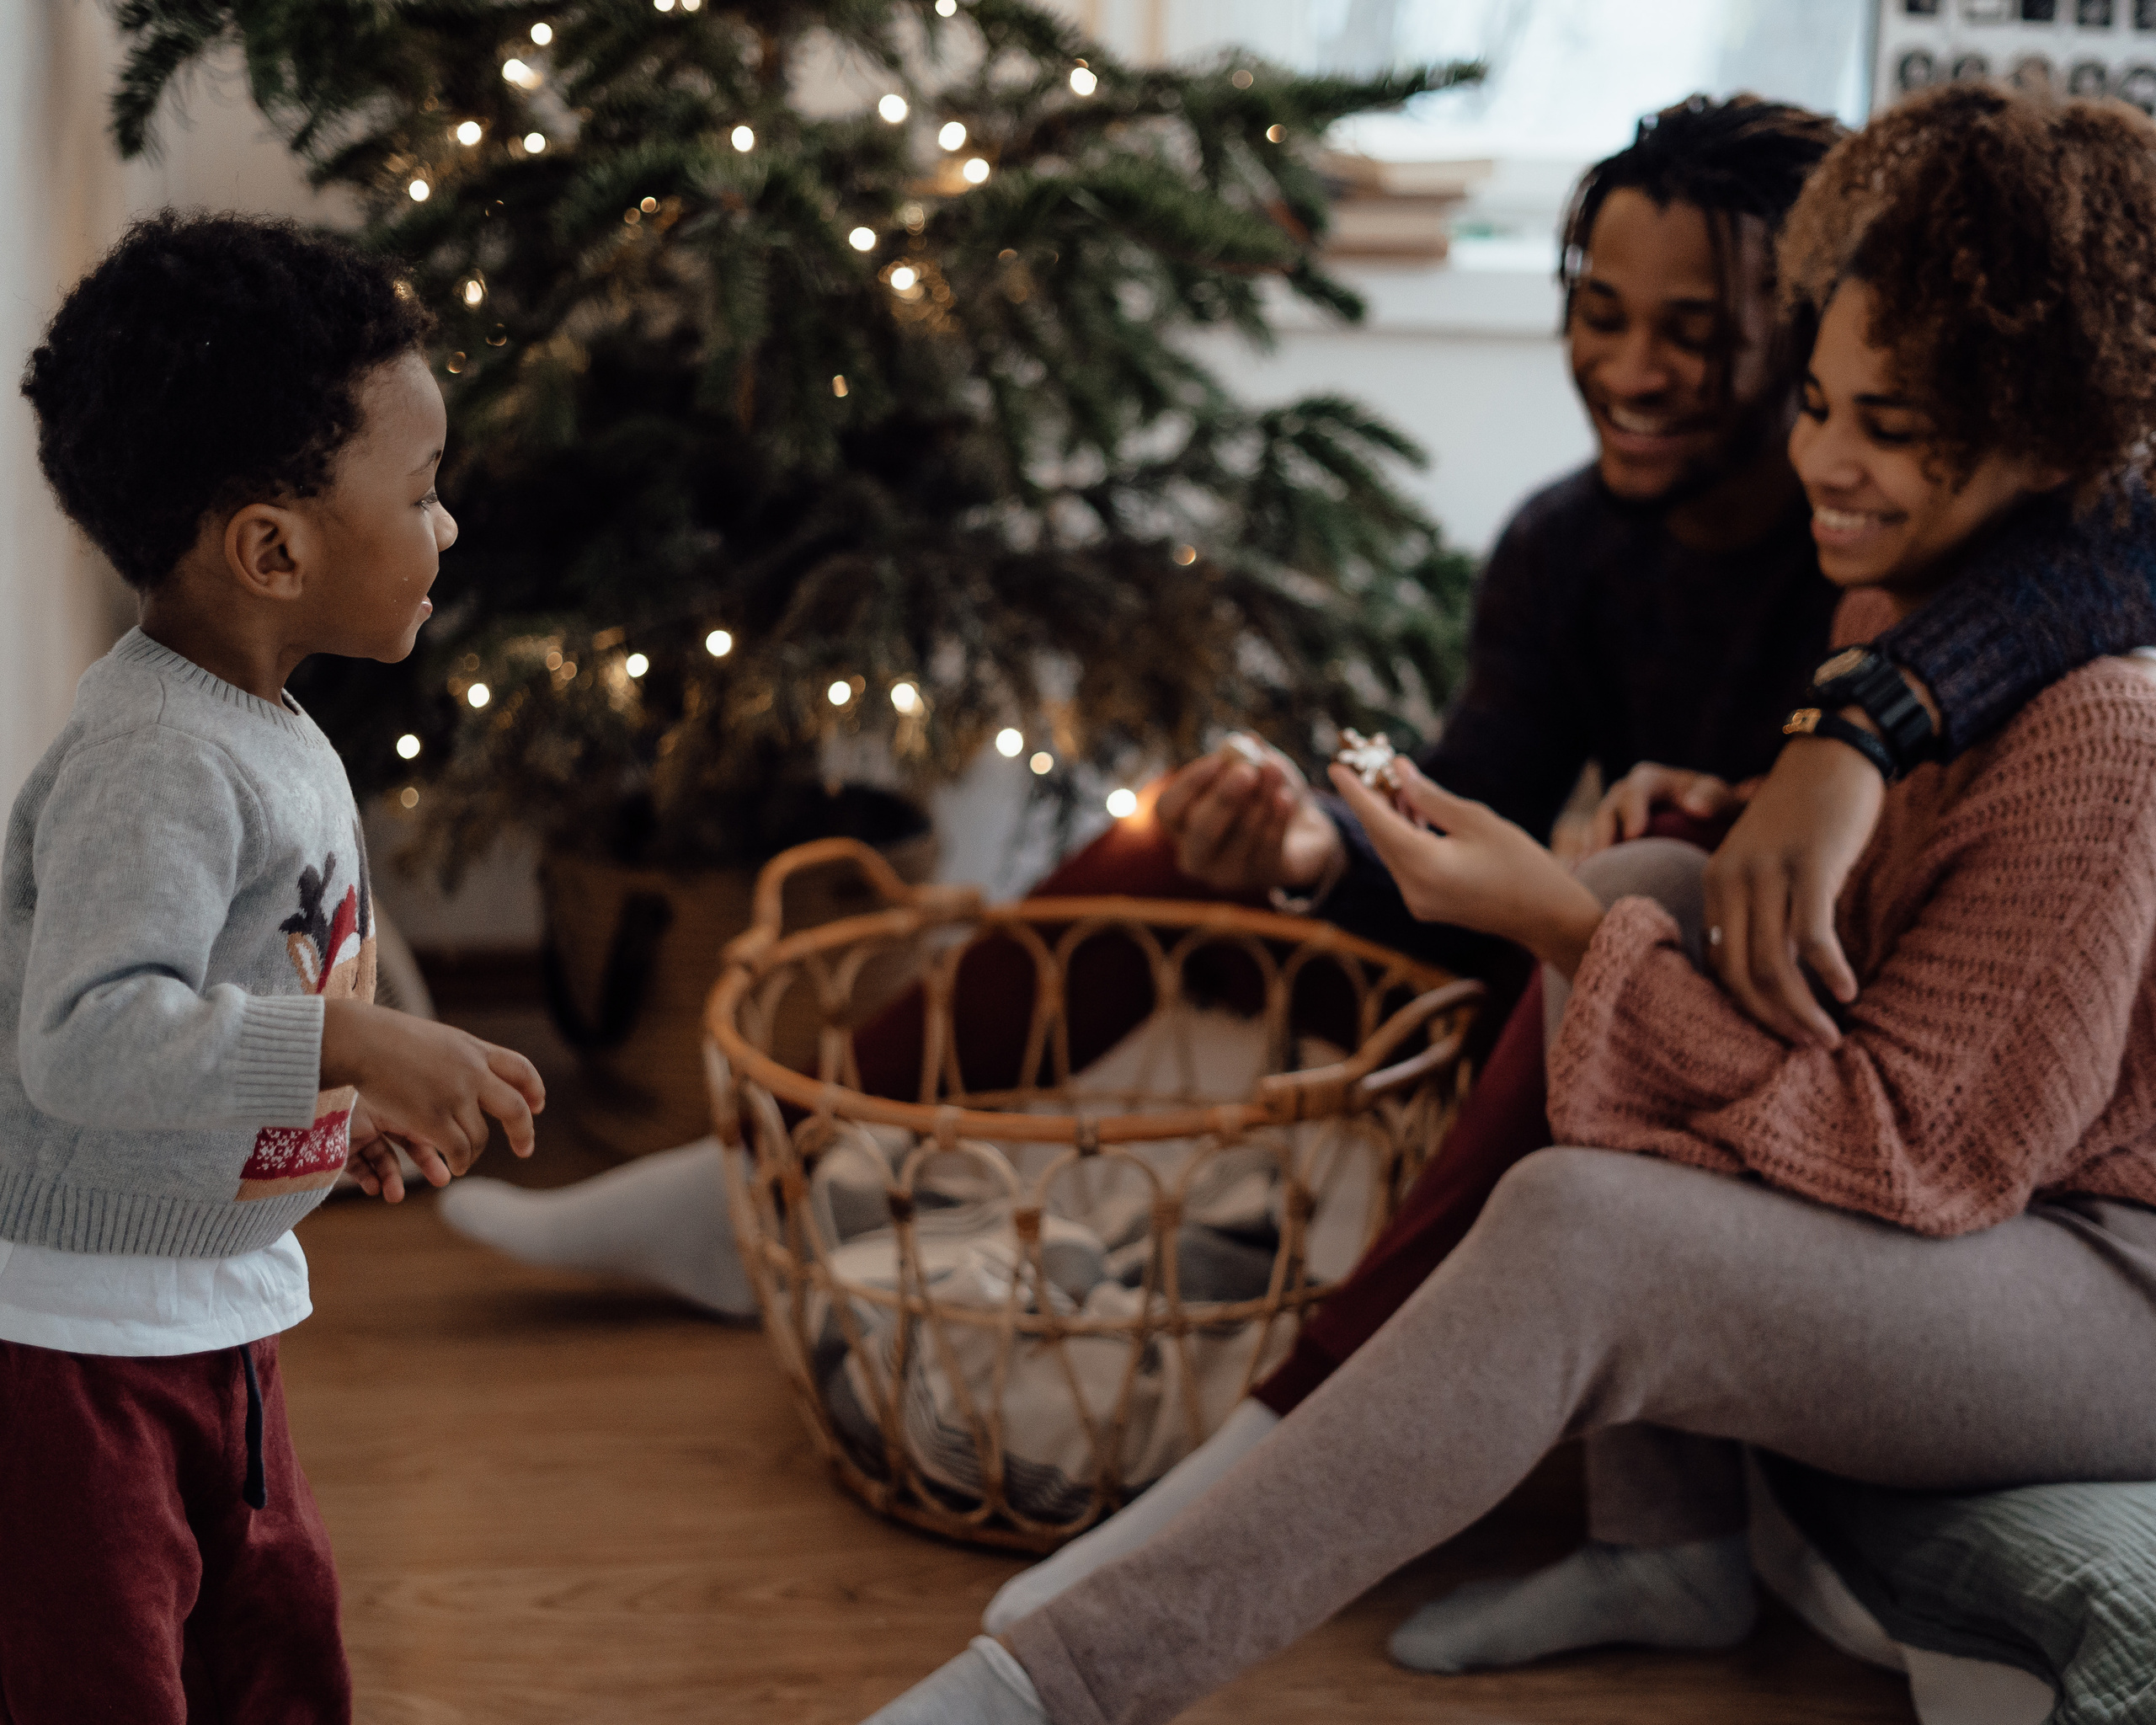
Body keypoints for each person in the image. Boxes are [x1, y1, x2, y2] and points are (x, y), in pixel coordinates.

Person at [862, 78, 2156, 1723]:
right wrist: (1717, 827)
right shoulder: (1883, 599)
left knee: (1582, 1223)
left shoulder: (2103, 726)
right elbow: (1919, 953)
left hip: (2105, 1279)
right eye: (1820, 401)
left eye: (1885, 428)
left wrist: (1561, 924)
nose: (1823, 455)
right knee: (1652, 878)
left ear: (2042, 445)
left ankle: (1047, 1689)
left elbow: (1910, 1153)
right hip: (2003, 1191)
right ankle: (1664, 1549)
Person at [0, 214, 548, 1722]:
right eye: (423, 494)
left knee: (276, 1643)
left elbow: (234, 991)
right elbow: (91, 1043)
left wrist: (320, 1123)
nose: (446, 529)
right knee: (108, 1677)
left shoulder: (263, 723)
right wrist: (353, 1051)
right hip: (79, 1348)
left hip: (213, 1301)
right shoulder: (158, 761)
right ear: (272, 547)